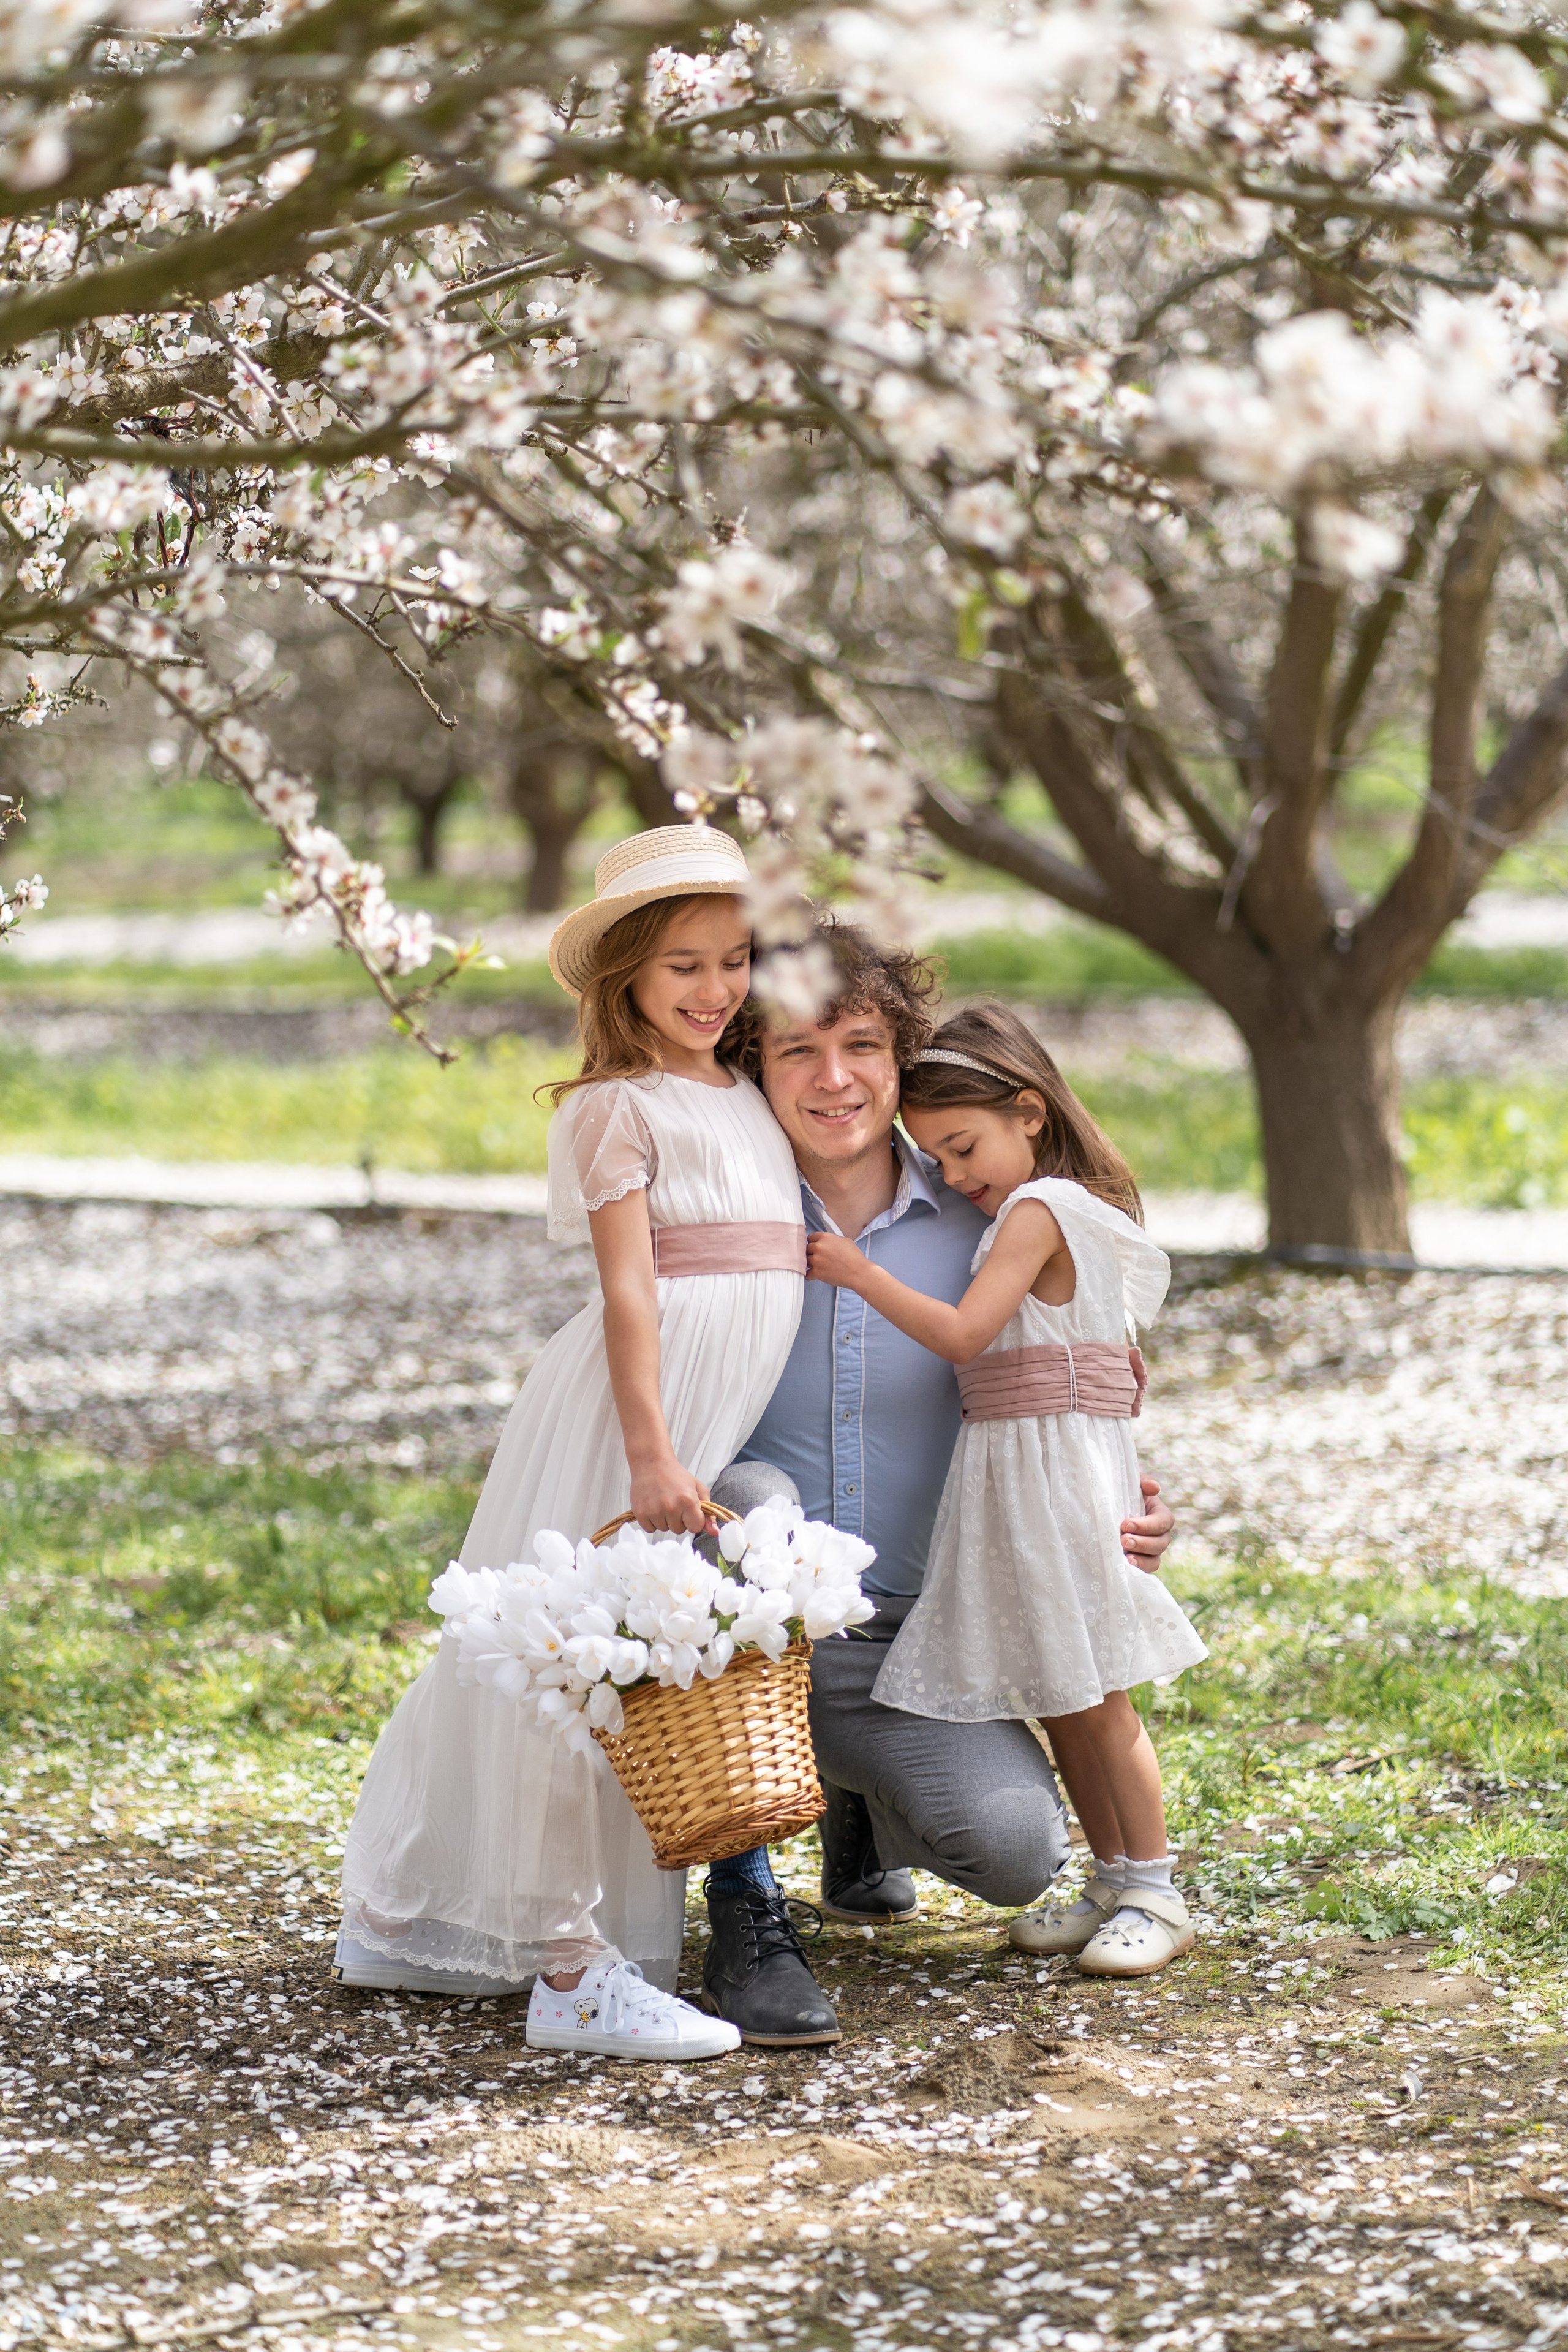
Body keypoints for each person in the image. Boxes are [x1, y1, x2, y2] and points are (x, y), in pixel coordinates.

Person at [334, 825, 809, 2062]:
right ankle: (565, 1966)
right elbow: (632, 1293)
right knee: (571, 1657)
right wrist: (651, 1451)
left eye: (731, 961)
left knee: (620, 1663)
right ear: (626, 983)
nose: (711, 992)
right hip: (627, 1405)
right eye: (680, 970)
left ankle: (528, 1928)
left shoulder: (746, 1091)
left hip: (707, 1406)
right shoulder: (616, 1108)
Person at [697, 928, 1178, 2044]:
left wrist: (1134, 1493)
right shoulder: (722, 1215)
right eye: (797, 1051)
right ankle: (744, 1894)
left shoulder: (990, 1211)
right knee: (753, 1486)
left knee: (1014, 1857)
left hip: (914, 1643)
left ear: (903, 1056)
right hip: (747, 1640)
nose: (834, 1079)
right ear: (751, 1066)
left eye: (862, 1044)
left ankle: (857, 1809)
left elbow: (1078, 1367)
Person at [805, 1001, 1206, 1978]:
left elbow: (963, 1334)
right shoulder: (1055, 1212)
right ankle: (1112, 1877)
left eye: (964, 1145)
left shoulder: (1038, 1210)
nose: (954, 1175)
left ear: (1030, 1111)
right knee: (1061, 1692)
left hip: (1048, 1481)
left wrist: (857, 1271)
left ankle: (1155, 1883)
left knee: (1098, 1695)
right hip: (1036, 1473)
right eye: (935, 1159)